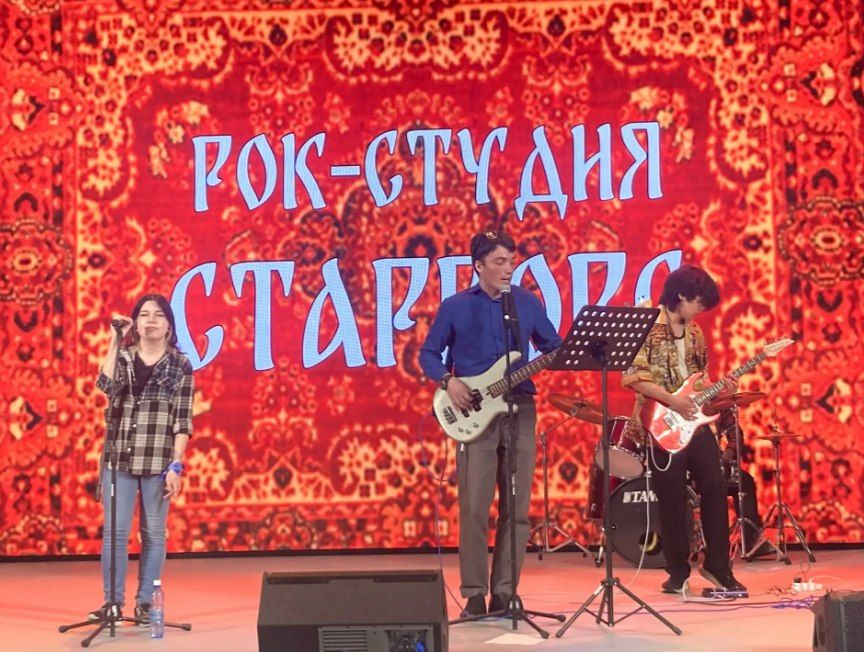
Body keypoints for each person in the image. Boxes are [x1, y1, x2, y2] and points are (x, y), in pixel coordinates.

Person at [419, 231, 562, 617]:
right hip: (475, 415)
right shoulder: (455, 306)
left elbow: (552, 347)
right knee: (474, 507)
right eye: (499, 262)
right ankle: (473, 593)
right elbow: (428, 353)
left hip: (520, 410)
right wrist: (448, 381)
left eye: (511, 261)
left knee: (517, 508)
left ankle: (505, 591)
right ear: (479, 265)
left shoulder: (526, 303)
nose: (508, 268)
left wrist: (573, 349)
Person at [622, 265, 746, 594]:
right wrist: (671, 401)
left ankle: (718, 567)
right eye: (699, 302)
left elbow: (700, 380)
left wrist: (720, 388)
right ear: (681, 295)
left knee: (715, 486)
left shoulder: (695, 333)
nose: (701, 309)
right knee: (672, 497)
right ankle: (677, 571)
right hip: (660, 422)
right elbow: (634, 377)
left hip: (694, 422)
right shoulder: (645, 324)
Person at [88, 293, 194, 624]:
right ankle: (112, 603)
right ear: (135, 323)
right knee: (115, 534)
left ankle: (145, 602)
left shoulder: (180, 365)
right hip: (118, 457)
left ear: (169, 325)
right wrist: (115, 339)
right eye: (144, 314)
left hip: (157, 462)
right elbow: (105, 384)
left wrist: (176, 465)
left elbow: (182, 421)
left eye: (158, 315)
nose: (150, 321)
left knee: (153, 534)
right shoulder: (123, 357)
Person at [715, 410, 774, 558]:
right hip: (689, 465)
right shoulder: (680, 402)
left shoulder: (719, 406)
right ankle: (716, 543)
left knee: (745, 481)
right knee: (713, 486)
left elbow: (736, 435)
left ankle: (751, 542)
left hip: (716, 463)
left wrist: (727, 454)